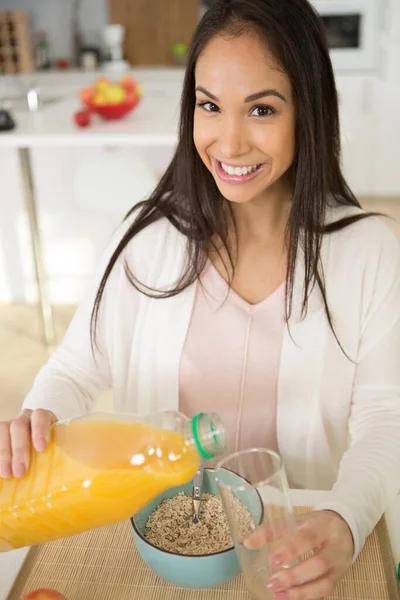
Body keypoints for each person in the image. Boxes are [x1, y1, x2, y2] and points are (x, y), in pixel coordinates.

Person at [1, 0, 399, 597]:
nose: (229, 142)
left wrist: (345, 516)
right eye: (210, 105)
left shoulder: (367, 251)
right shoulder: (148, 239)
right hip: (153, 543)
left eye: (261, 109)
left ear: (308, 113)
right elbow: (77, 366)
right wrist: (40, 418)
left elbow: (385, 417)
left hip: (289, 551)